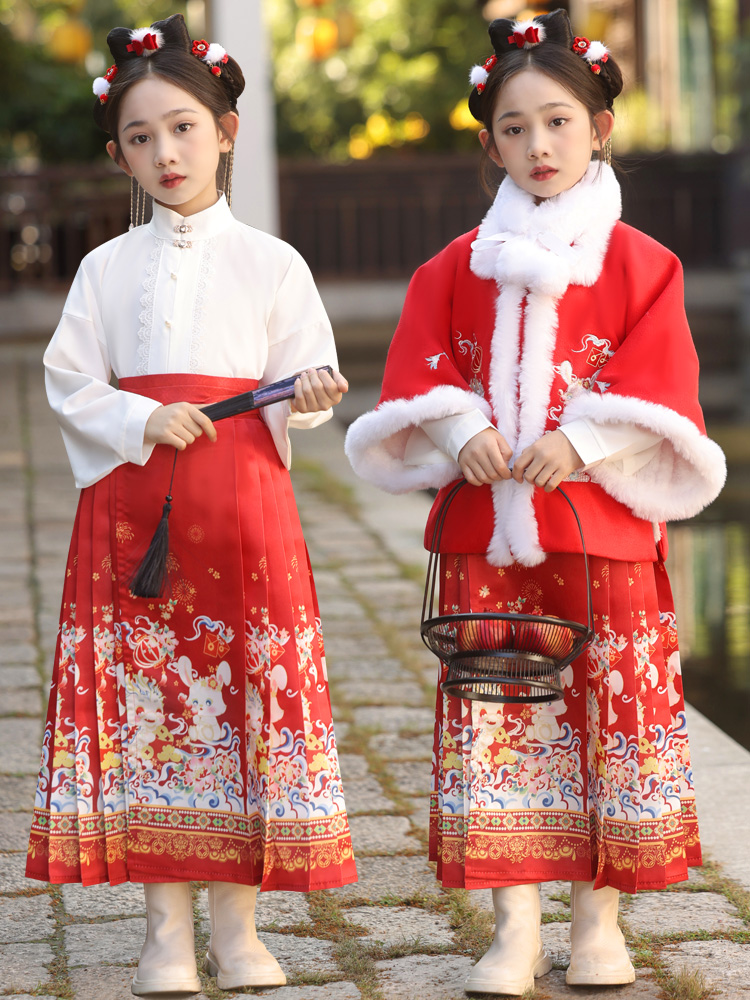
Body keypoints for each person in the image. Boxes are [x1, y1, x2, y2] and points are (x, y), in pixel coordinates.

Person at [346, 9, 726, 996]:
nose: (538, 145)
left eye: (558, 121)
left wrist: (585, 438)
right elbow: (417, 377)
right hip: (488, 536)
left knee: (610, 715)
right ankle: (513, 923)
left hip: (597, 529)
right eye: (514, 129)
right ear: (489, 144)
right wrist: (455, 429)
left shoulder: (645, 266)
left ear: (600, 126)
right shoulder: (451, 269)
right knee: (498, 715)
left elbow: (663, 389)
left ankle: (600, 919)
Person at [26, 13, 356, 996]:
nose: (164, 152)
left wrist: (310, 393)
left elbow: (306, 376)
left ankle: (238, 929)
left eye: (182, 128)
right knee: (147, 709)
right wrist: (136, 420)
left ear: (225, 132)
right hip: (135, 517)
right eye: (139, 136)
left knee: (240, 709)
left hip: (244, 510)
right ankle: (163, 932)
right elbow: (69, 382)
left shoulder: (273, 262)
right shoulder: (103, 269)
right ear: (119, 150)